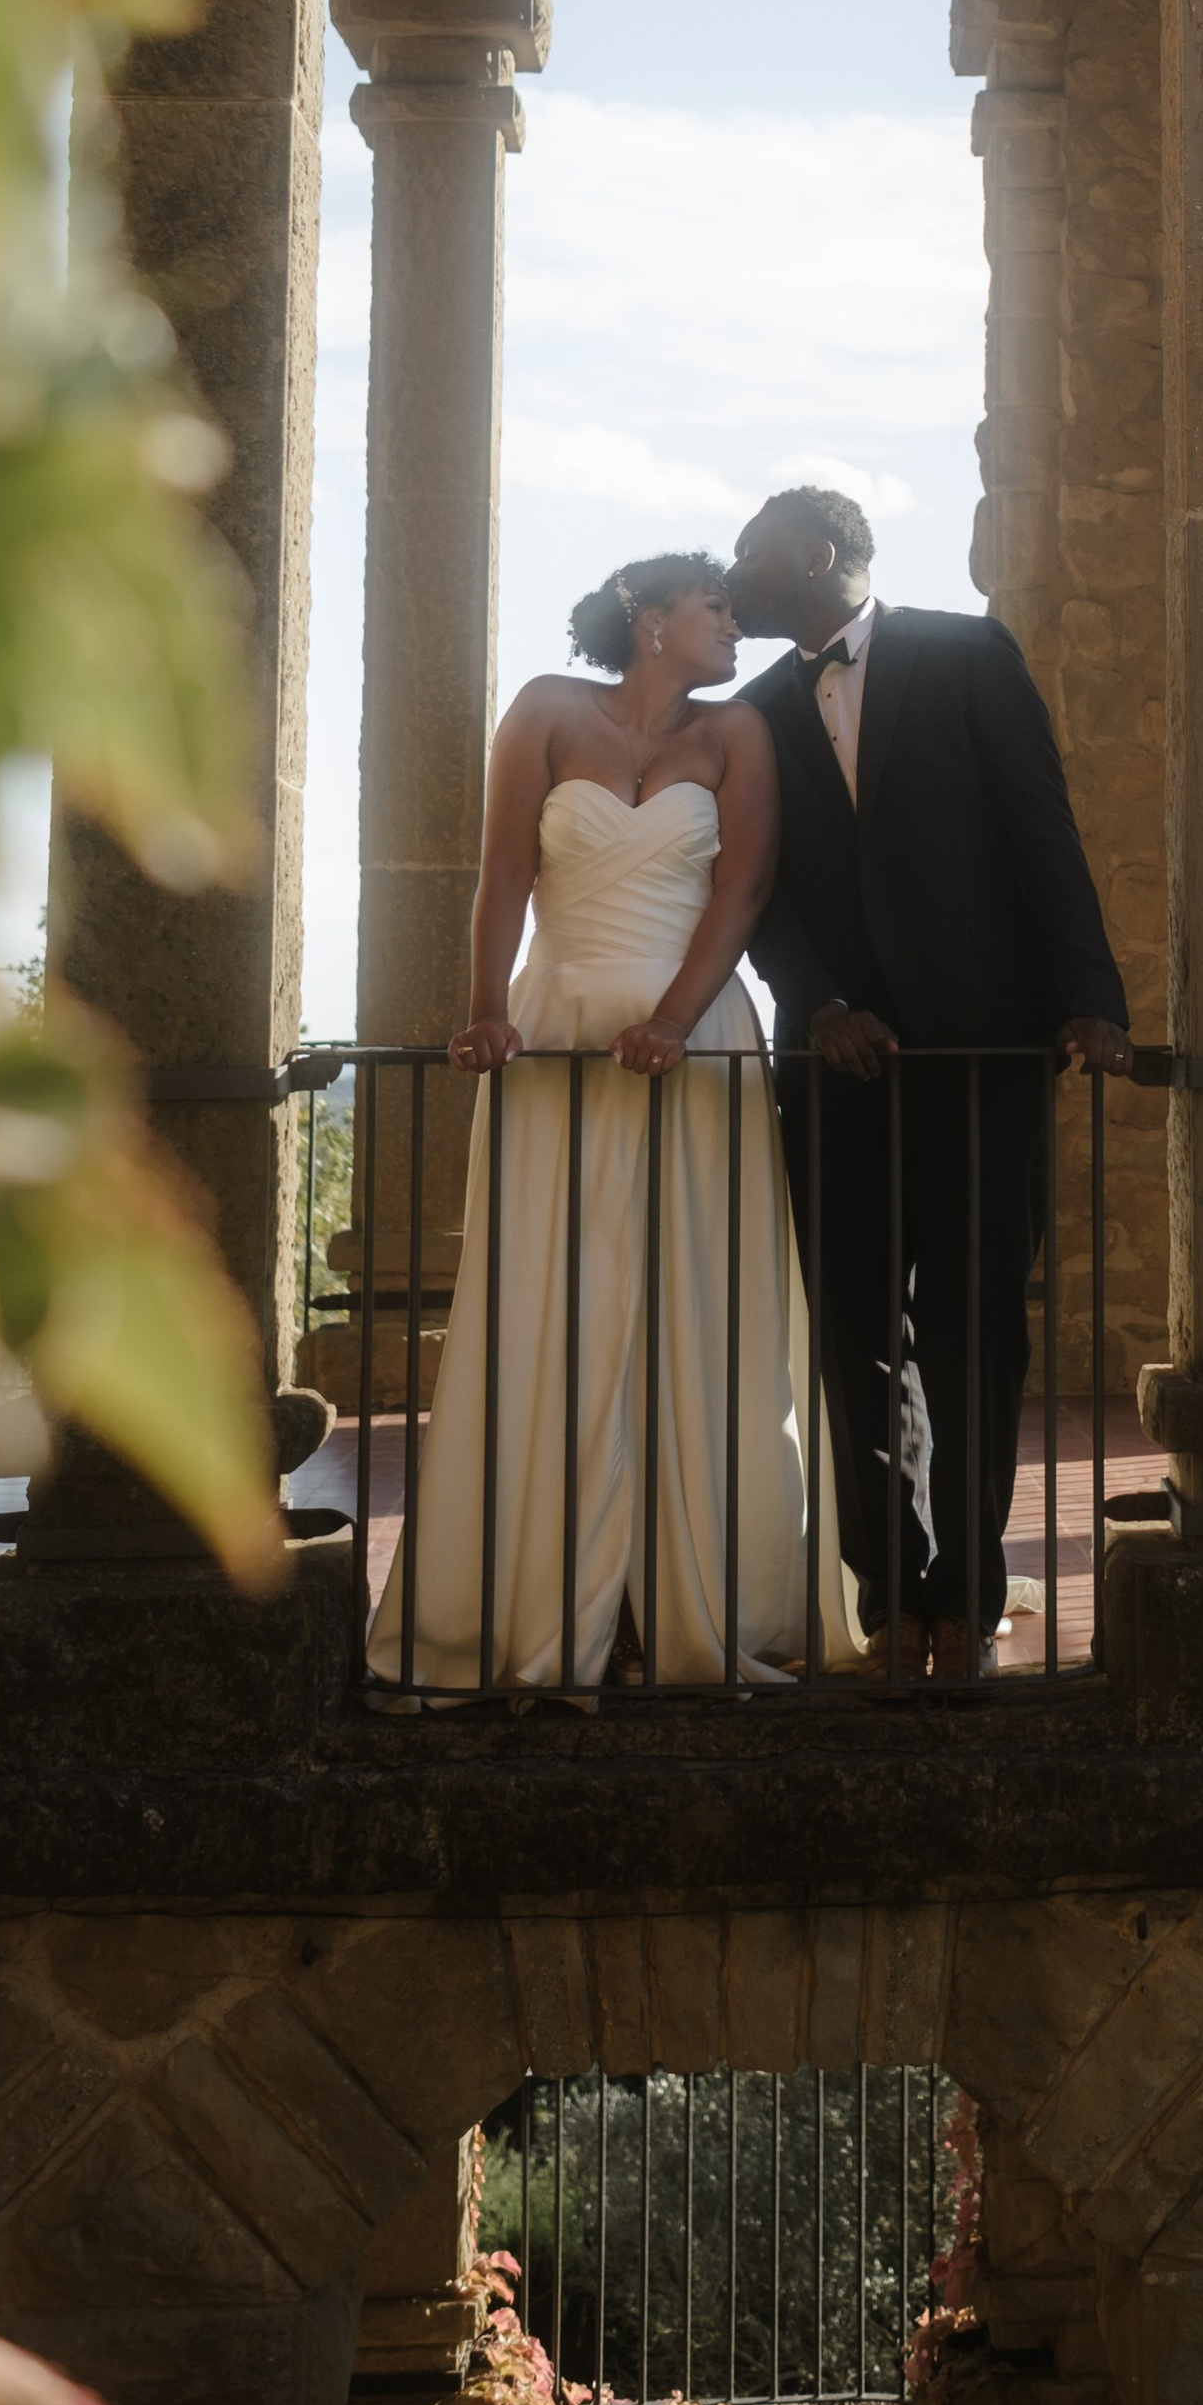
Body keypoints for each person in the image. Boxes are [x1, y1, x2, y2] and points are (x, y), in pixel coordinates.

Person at [367, 554, 851, 1693]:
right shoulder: (543, 708)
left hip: (697, 1042)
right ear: (651, 618)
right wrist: (486, 1012)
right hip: (556, 1028)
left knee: (698, 1301)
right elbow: (499, 870)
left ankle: (694, 1598)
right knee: (552, 1299)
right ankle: (544, 1594)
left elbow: (742, 885)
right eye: (717, 607)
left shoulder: (736, 733)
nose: (737, 625)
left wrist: (677, 1019)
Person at [726, 487, 1130, 1683]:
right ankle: (886, 1596)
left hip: (983, 1060)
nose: (735, 577)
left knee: (976, 1338)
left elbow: (1038, 826)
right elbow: (761, 894)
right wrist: (821, 1006)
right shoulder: (751, 716)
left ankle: (971, 1594)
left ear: (813, 553)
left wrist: (1090, 998)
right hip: (835, 1074)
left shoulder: (968, 654)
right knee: (854, 1342)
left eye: (749, 556)